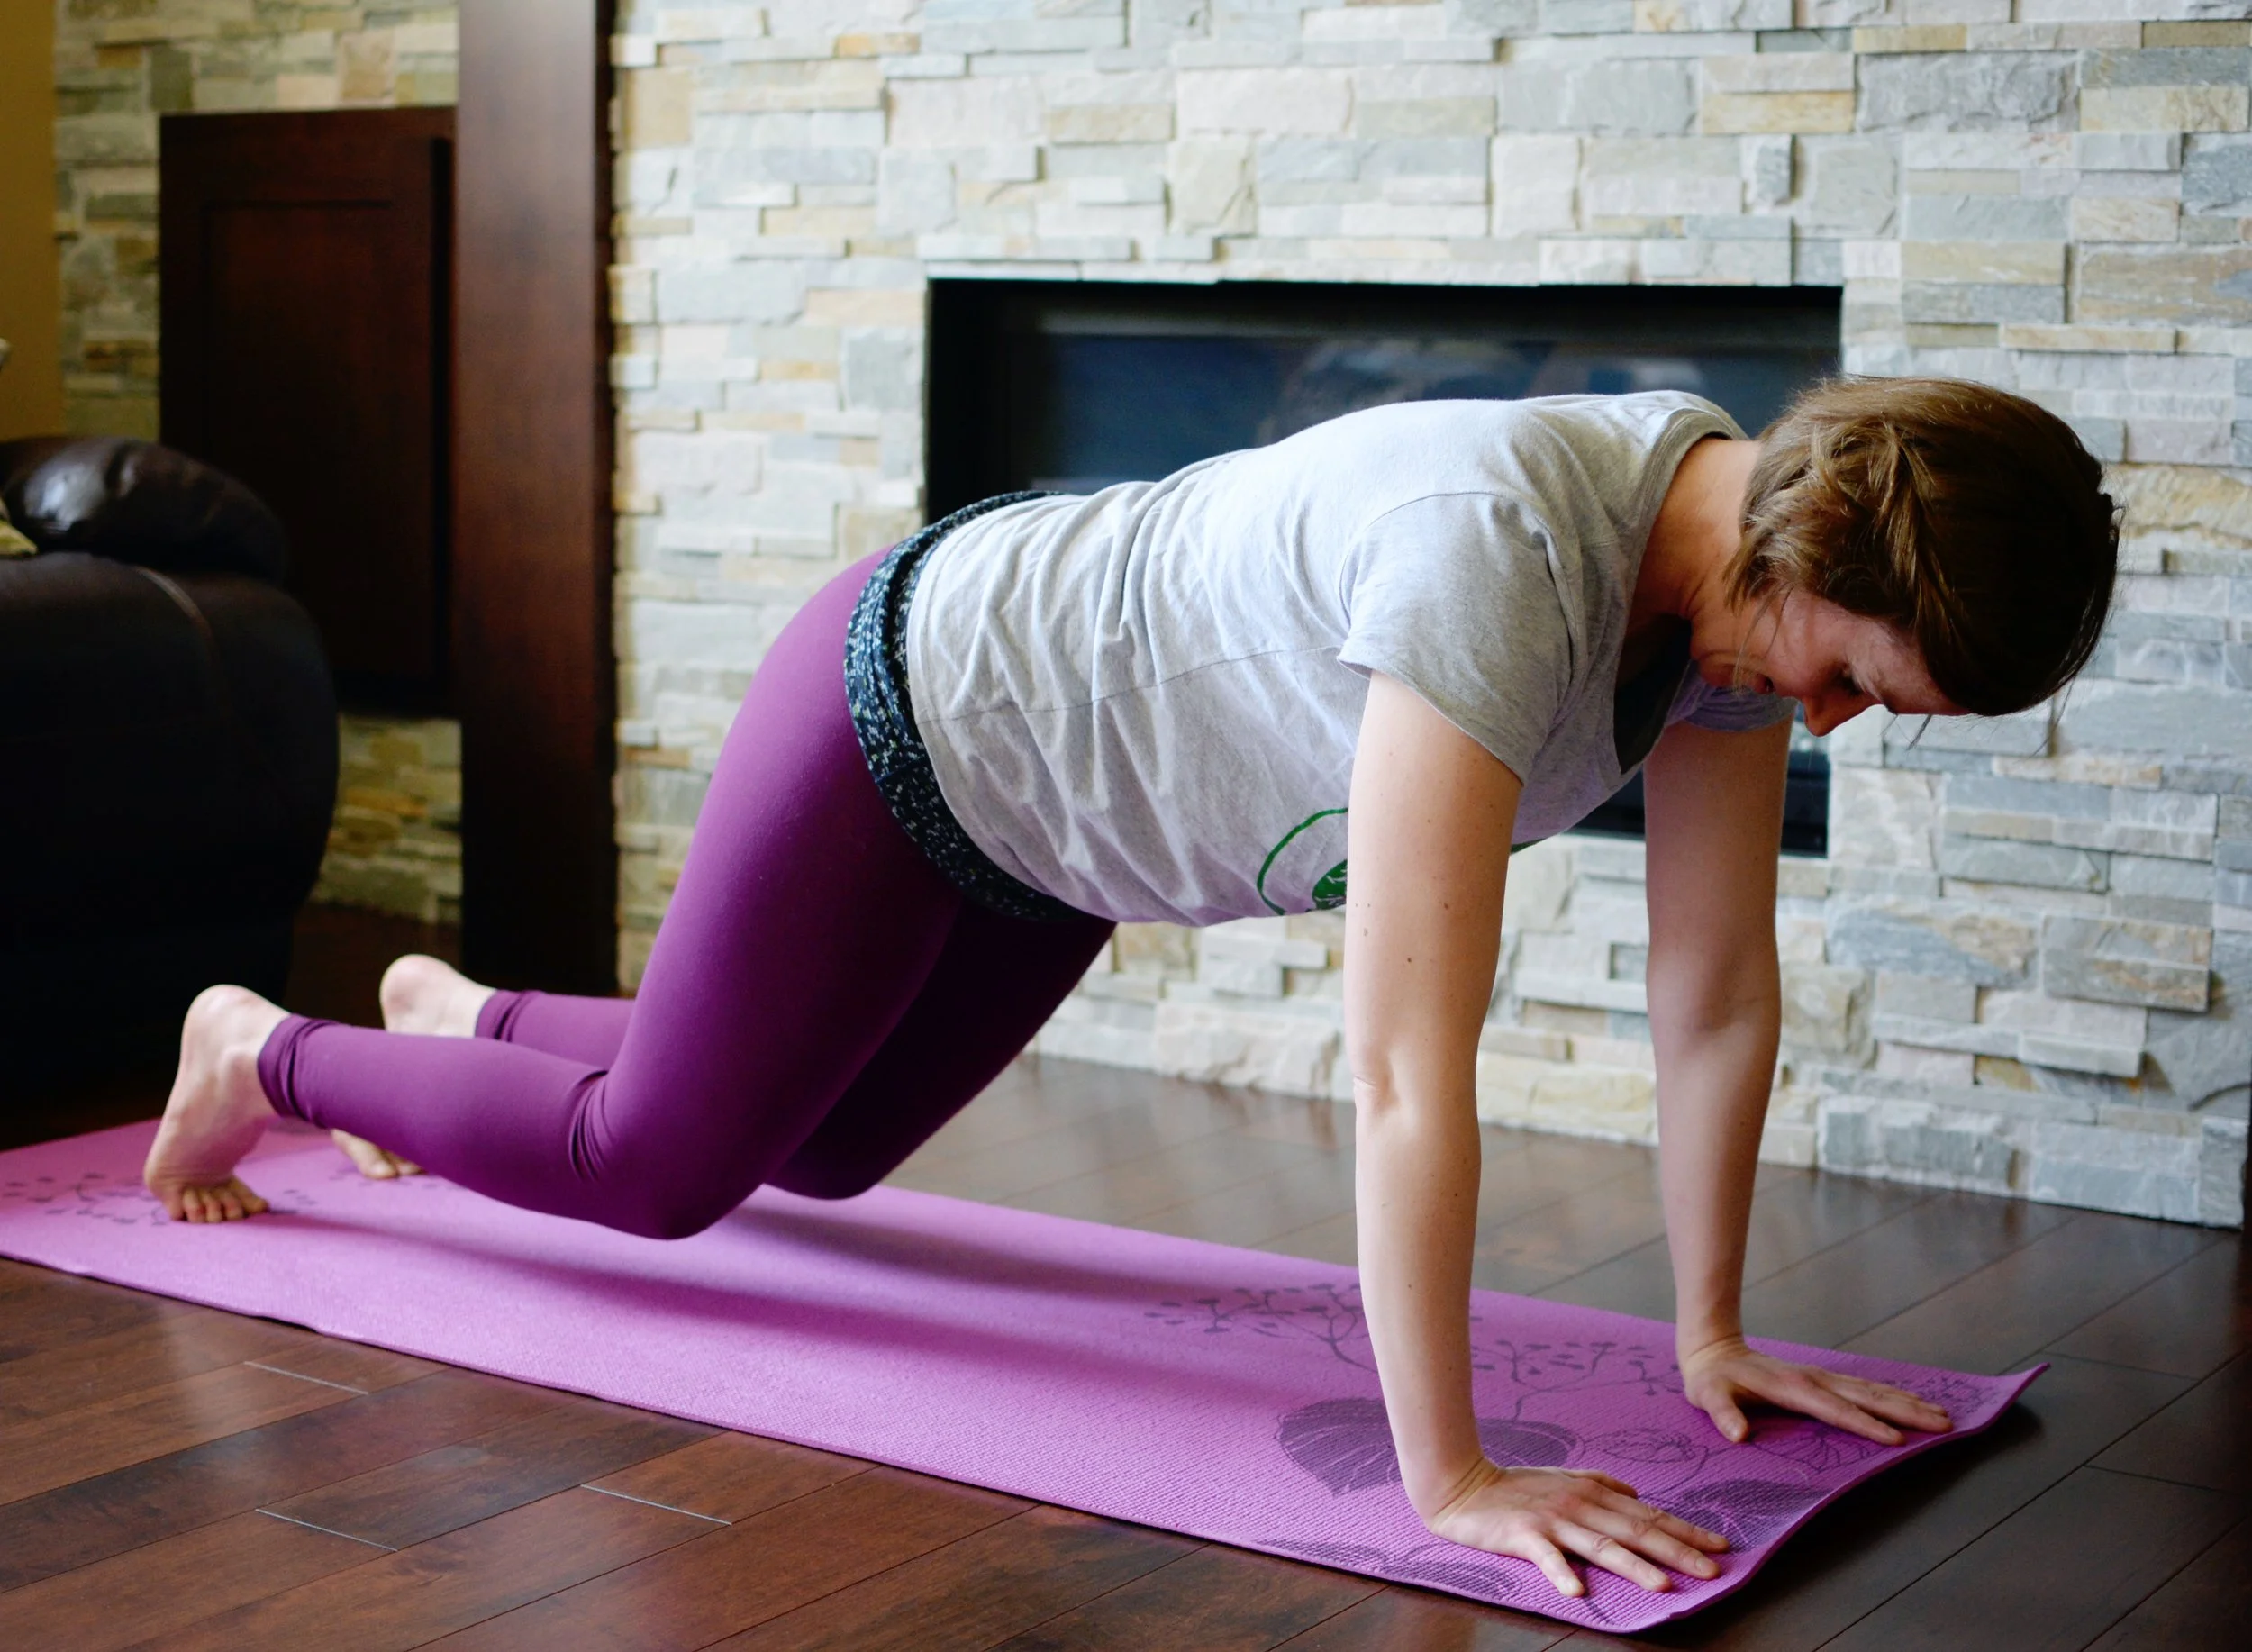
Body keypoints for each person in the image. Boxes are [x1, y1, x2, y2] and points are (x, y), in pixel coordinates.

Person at [143, 376, 2118, 1599]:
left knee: (818, 1151)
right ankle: (275, 1046)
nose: (1833, 717)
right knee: (664, 1161)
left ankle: (459, 1018)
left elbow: (1707, 993)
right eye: (1852, 672)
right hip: (916, 703)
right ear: (1809, 535)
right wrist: (1445, 1474)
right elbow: (1403, 1062)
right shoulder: (1501, 560)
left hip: (1060, 837)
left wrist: (1710, 1330)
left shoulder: (1725, 622)